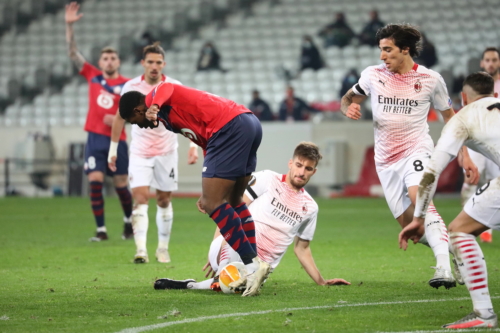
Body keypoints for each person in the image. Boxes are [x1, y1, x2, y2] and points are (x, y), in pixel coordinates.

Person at [340, 23, 478, 289]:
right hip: (385, 161)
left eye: (388, 50)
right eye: (381, 50)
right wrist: (349, 108)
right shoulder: (372, 75)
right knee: (412, 226)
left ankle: (443, 269)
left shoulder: (431, 79)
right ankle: (457, 254)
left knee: (420, 200)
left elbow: (452, 120)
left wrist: (466, 156)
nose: (382, 56)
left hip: (417, 150)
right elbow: (348, 98)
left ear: (405, 49)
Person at [118, 82, 270, 297]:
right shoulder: (167, 119)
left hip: (228, 128)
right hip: (248, 123)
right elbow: (206, 141)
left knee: (212, 204)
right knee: (235, 200)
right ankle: (254, 265)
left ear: (138, 110)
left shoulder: (155, 99)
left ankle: (252, 265)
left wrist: (154, 105)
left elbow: (166, 86)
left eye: (134, 121)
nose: (139, 126)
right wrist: (209, 187)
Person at [154, 142, 351, 291]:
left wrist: (321, 281)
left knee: (238, 285)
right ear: (291, 163)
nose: (302, 172)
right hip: (233, 245)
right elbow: (231, 209)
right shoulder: (267, 178)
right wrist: (217, 245)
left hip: (260, 268)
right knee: (235, 278)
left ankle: (192, 285)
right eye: (299, 165)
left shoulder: (310, 208)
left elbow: (302, 248)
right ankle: (222, 274)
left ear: (314, 171)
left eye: (308, 169)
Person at [399, 72, 499, 329]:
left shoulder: (462, 118)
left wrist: (419, 218)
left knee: (459, 232)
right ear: (494, 95)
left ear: (463, 98)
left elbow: (431, 173)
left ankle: (483, 313)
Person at [107, 43, 199, 264]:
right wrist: (113, 150)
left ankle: (162, 248)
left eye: (158, 62)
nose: (154, 66)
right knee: (139, 199)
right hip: (139, 152)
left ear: (164, 64)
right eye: (150, 62)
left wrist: (193, 146)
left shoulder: (173, 86)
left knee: (164, 200)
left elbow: (186, 117)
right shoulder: (130, 86)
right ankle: (141, 251)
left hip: (167, 152)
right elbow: (120, 117)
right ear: (143, 64)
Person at [65, 1, 133, 241]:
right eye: (105, 58)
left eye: (113, 58)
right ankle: (101, 230)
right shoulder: (92, 76)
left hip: (118, 139)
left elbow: (137, 115)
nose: (109, 61)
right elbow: (73, 54)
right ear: (100, 62)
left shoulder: (127, 85)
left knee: (121, 185)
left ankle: (128, 223)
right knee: (94, 181)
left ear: (118, 62)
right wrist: (69, 27)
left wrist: (119, 118)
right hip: (94, 139)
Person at [461, 47, 500, 243]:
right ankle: (472, 228)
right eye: (488, 60)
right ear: (482, 63)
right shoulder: (476, 86)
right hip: (477, 141)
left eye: (494, 60)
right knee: (470, 181)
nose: (491, 63)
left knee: (495, 181)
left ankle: (487, 228)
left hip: (497, 142)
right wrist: (464, 152)